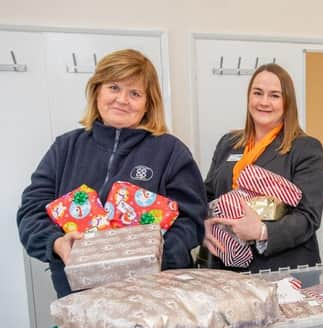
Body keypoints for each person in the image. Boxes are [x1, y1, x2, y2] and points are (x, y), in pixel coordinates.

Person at [17, 49, 207, 298]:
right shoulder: (65, 148)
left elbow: (192, 220)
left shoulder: (170, 151)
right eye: (114, 87)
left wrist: (158, 257)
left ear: (148, 103)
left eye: (135, 93)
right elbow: (31, 212)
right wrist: (57, 243)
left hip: (155, 294)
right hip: (79, 296)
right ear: (97, 91)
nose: (122, 99)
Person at [202, 63, 323, 272]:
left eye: (275, 95)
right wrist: (204, 225)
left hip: (283, 267)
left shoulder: (305, 148)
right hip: (227, 265)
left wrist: (261, 231)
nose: (264, 102)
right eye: (257, 93)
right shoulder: (228, 143)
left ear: (287, 102)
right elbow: (208, 194)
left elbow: (308, 217)